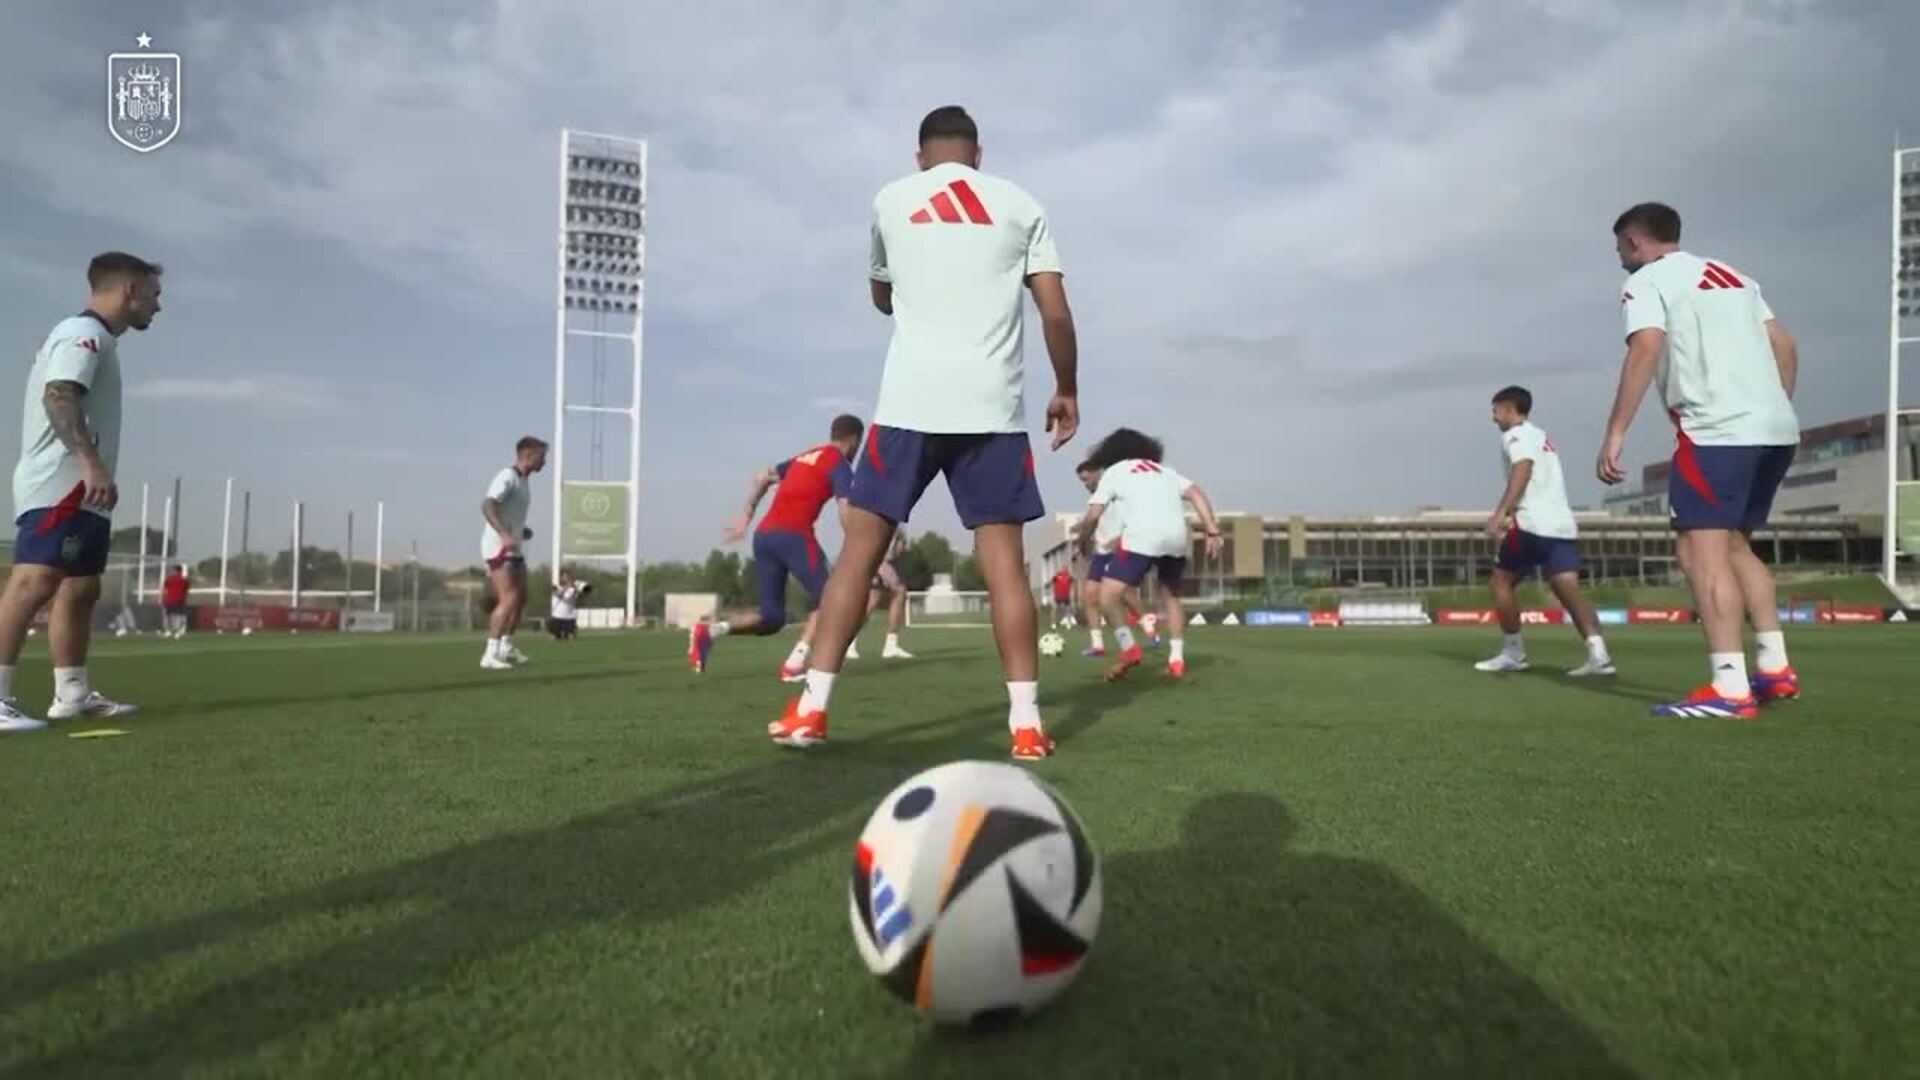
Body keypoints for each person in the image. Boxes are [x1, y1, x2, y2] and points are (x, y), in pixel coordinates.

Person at [767, 104, 1079, 760]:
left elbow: (880, 296)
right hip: (992, 412)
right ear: (978, 154)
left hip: (908, 407)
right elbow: (1054, 311)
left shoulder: (891, 199)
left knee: (857, 557)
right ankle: (1026, 724)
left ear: (920, 157)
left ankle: (813, 710)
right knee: (1005, 573)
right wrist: (1067, 389)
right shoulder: (1020, 203)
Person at [1598, 202, 1801, 719]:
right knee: (1736, 547)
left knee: (1698, 553)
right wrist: (1774, 407)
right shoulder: (1733, 275)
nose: (1621, 257)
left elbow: (1645, 347)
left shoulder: (1647, 281)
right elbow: (1785, 344)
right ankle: (1774, 669)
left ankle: (1730, 687)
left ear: (1635, 243)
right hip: (1775, 429)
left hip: (1716, 432)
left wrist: (1615, 433)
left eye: (1621, 247)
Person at [0, 252, 160, 733]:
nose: (158, 306)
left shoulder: (99, 342)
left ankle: (71, 693)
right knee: (35, 581)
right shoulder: (81, 333)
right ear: (129, 288)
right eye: (155, 294)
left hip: (86, 489)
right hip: (61, 483)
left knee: (82, 586)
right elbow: (59, 394)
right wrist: (90, 463)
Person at [690, 414, 863, 679]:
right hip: (793, 536)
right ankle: (794, 664)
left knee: (772, 619)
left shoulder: (805, 456)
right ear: (854, 440)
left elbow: (763, 477)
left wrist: (746, 514)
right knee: (831, 598)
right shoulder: (839, 464)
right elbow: (845, 510)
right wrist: (860, 547)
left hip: (764, 537)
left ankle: (711, 631)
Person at [1472, 386, 1614, 676]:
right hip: (1560, 525)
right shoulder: (1540, 435)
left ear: (1509, 409)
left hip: (1532, 524)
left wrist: (1502, 512)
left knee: (1501, 582)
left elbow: (1522, 469)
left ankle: (1513, 652)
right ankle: (1599, 655)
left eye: (1495, 411)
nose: (1493, 418)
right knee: (1567, 588)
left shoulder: (1515, 436)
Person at [1075, 428, 1221, 681]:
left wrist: (1082, 539)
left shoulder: (1115, 472)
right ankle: (1176, 660)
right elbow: (1196, 493)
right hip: (1176, 539)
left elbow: (1093, 515)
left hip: (1143, 539)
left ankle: (1129, 649)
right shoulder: (1164, 471)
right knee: (1171, 597)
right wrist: (1212, 530)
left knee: (1106, 596)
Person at [479, 436, 547, 671]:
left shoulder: (524, 481)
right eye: (542, 456)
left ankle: (506, 646)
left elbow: (509, 512)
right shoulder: (507, 476)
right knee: (508, 598)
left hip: (513, 545)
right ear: (528, 455)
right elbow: (488, 504)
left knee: (521, 598)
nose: (544, 462)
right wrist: (504, 534)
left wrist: (519, 530)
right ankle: (490, 653)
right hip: (499, 546)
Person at [1074, 458, 1143, 657]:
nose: (1085, 484)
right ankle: (1097, 645)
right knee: (1089, 596)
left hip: (1120, 548)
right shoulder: (1094, 500)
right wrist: (1085, 542)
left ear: (1098, 473)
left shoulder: (1117, 493)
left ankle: (1146, 626)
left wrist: (1121, 538)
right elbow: (1091, 523)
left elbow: (1134, 520)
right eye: (1082, 481)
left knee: (1121, 595)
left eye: (1087, 479)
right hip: (1101, 552)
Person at [860, 527, 914, 660]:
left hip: (877, 560)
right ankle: (890, 644)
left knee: (873, 600)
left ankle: (848, 643)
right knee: (898, 592)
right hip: (881, 561)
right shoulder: (887, 519)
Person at [548, 569, 588, 641]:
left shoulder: (573, 588)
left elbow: (583, 595)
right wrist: (567, 586)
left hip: (570, 617)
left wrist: (578, 588)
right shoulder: (555, 586)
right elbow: (559, 595)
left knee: (571, 638)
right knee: (555, 638)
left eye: (568, 577)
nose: (567, 579)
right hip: (557, 616)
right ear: (561, 578)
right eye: (565, 577)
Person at [161, 563, 191, 639]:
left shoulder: (169, 579)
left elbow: (165, 589)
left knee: (169, 615)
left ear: (175, 571)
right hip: (179, 600)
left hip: (170, 600)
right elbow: (186, 591)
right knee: (178, 615)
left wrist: (161, 598)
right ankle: (177, 632)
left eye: (173, 570)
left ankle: (169, 631)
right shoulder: (184, 580)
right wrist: (185, 599)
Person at [1048, 564, 1074, 629]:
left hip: (1066, 596)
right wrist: (1049, 587)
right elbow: (1051, 582)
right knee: (1054, 609)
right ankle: (1053, 624)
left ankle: (1069, 624)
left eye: (1066, 568)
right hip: (1057, 596)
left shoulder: (1069, 577)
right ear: (1061, 569)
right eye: (1063, 568)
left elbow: (1072, 585)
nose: (1064, 569)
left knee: (1068, 610)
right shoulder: (1056, 576)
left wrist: (1072, 595)